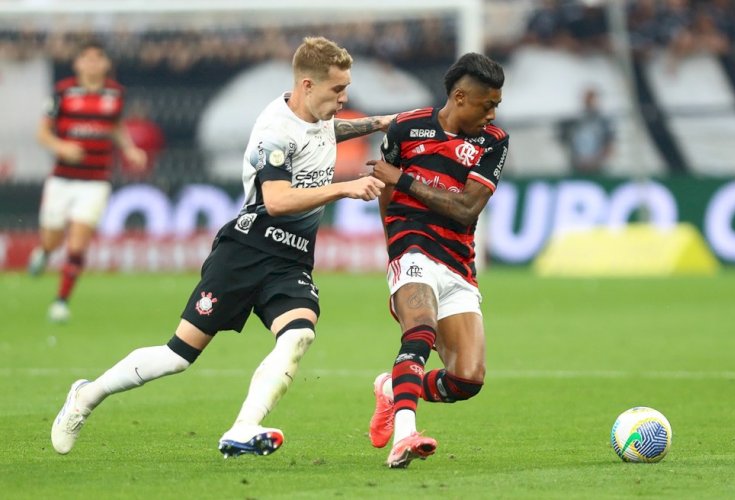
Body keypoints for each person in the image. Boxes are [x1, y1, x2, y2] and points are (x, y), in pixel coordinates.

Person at [50, 36, 391, 458]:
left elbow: (325, 131)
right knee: (178, 356)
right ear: (306, 85)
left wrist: (378, 122)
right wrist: (345, 188)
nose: (344, 98)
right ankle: (85, 396)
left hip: (290, 259)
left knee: (299, 334)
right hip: (245, 251)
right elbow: (278, 201)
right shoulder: (274, 131)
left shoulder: (313, 115)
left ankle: (243, 428)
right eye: (337, 90)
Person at [366, 52, 509, 468]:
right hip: (412, 249)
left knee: (467, 379)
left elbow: (466, 209)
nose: (494, 113)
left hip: (458, 262)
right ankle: (405, 436)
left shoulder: (492, 142)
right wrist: (395, 244)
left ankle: (393, 389)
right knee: (420, 331)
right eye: (488, 104)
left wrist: (406, 179)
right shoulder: (406, 128)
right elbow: (386, 195)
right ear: (461, 97)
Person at [28, 40, 148, 322]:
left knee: (78, 243)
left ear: (106, 64)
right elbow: (42, 133)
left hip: (96, 180)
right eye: (87, 58)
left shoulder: (116, 94)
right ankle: (44, 253)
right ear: (78, 63)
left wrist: (129, 148)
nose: (93, 63)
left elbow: (115, 127)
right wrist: (62, 147)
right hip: (62, 179)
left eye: (98, 58)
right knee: (52, 239)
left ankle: (61, 301)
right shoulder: (63, 92)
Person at [558, 87, 614, 174]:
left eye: (591, 99)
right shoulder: (575, 120)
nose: (589, 102)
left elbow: (609, 143)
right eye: (587, 99)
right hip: (578, 165)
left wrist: (597, 160)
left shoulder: (602, 121)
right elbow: (565, 139)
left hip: (597, 167)